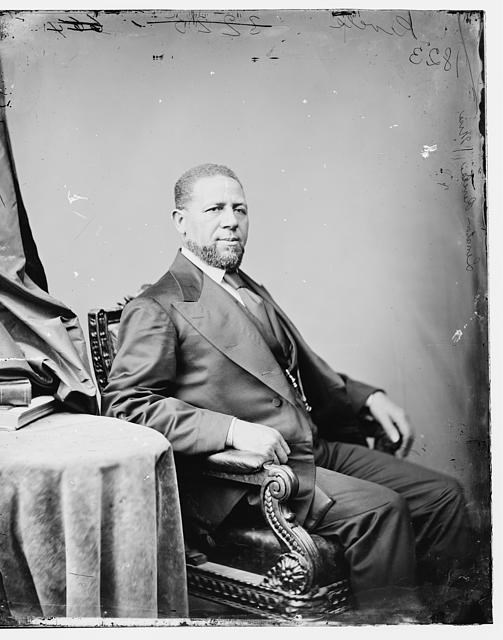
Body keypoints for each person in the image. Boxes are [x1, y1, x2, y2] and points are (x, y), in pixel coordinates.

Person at [102, 163, 472, 621]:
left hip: (309, 447)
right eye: (215, 208)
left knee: (444, 495)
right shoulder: (157, 306)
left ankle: (449, 623)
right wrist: (232, 430)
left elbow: (298, 369)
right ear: (180, 221)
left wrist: (365, 397)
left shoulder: (246, 288)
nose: (231, 220)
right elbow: (128, 405)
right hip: (254, 476)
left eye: (239, 208)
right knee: (382, 510)